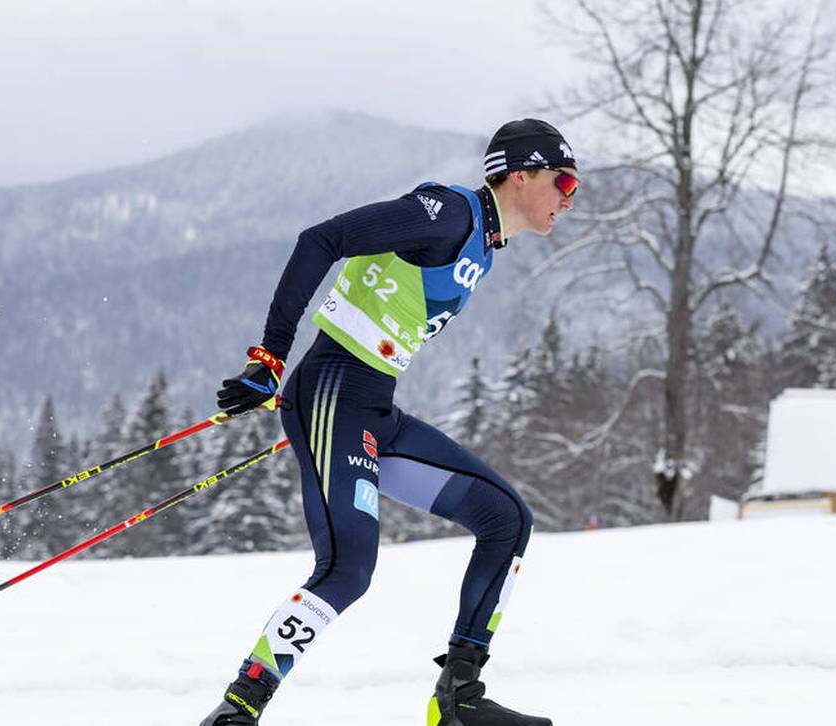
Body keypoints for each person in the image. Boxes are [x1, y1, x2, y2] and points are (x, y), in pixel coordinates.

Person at [200, 119, 579, 726]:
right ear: (519, 174)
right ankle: (239, 708)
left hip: (370, 408)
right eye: (563, 180)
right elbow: (321, 239)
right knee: (347, 570)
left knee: (505, 519)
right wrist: (269, 357)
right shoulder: (448, 214)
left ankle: (457, 700)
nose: (568, 196)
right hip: (332, 392)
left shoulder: (483, 242)